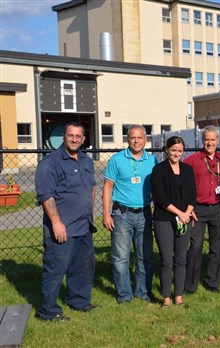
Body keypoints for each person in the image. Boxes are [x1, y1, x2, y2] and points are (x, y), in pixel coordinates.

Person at [34, 122, 98, 321]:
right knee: (55, 269)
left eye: (78, 136)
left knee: (82, 267)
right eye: (71, 135)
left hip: (83, 226)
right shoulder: (50, 162)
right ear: (64, 136)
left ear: (83, 139)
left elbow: (92, 187)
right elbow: (46, 195)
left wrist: (91, 212)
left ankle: (78, 301)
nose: (74, 139)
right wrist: (56, 222)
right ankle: (48, 311)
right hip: (62, 228)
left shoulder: (86, 161)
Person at [102, 125, 158, 304]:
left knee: (145, 256)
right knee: (120, 258)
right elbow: (107, 188)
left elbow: (157, 190)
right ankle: (124, 295)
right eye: (133, 138)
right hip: (121, 214)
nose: (136, 141)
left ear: (145, 140)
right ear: (128, 139)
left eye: (140, 138)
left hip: (145, 214)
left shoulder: (153, 160)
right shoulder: (116, 160)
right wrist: (106, 214)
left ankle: (142, 292)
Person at [183, 126, 220, 293]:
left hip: (218, 208)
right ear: (202, 141)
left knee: (217, 246)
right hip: (198, 209)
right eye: (206, 139)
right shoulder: (192, 160)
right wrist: (188, 207)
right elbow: (183, 185)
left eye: (213, 139)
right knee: (195, 246)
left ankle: (213, 282)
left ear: (218, 141)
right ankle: (190, 284)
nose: (209, 143)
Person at [151, 136, 196, 307]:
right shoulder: (159, 170)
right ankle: (166, 298)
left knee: (181, 259)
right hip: (164, 220)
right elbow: (160, 198)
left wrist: (188, 213)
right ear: (166, 150)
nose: (176, 153)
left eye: (179, 150)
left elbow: (193, 195)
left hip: (184, 219)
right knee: (166, 261)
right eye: (173, 150)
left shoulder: (187, 170)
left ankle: (178, 296)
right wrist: (180, 213)